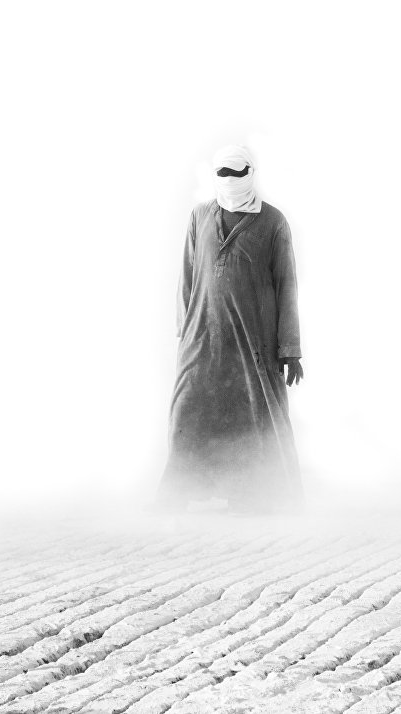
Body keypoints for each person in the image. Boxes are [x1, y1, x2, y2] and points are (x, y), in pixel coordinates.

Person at [153, 145, 304, 515]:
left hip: (253, 339)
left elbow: (286, 285)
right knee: (189, 409)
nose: (230, 180)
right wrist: (184, 332)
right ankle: (180, 491)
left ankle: (254, 493)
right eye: (223, 173)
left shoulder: (272, 222)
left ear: (250, 173)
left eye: (237, 173)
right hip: (202, 335)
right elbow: (187, 275)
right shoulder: (200, 216)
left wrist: (290, 349)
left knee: (252, 413)